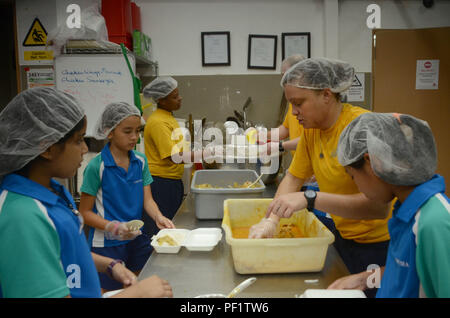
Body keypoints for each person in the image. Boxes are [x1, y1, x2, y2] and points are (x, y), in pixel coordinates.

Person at [0, 87, 172, 298]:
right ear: (46, 147)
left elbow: (64, 251)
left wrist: (110, 265)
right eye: (78, 140)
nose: (84, 149)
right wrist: (136, 295)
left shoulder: (53, 193)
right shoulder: (22, 216)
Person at [249, 58, 393, 296]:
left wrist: (310, 199)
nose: (293, 113)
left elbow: (378, 207)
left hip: (379, 246)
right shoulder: (311, 132)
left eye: (298, 103)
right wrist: (271, 221)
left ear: (327, 94)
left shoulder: (360, 129)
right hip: (343, 237)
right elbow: (294, 178)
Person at [328, 112, 450, 298]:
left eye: (353, 176)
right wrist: (364, 279)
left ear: (371, 163)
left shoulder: (433, 222)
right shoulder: (405, 209)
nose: (357, 185)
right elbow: (405, 272)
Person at [78, 101, 175, 292]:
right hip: (106, 245)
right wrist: (113, 227)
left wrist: (158, 216)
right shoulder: (97, 167)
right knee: (112, 292)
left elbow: (148, 200)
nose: (134, 137)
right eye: (127, 131)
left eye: (138, 131)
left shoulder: (140, 161)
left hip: (136, 237)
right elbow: (85, 213)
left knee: (139, 286)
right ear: (110, 132)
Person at [141, 77, 187, 237]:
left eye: (178, 94)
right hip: (161, 184)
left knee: (169, 227)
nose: (179, 98)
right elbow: (173, 156)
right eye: (174, 97)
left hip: (171, 181)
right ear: (162, 100)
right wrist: (205, 154)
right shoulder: (158, 122)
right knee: (160, 231)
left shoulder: (167, 117)